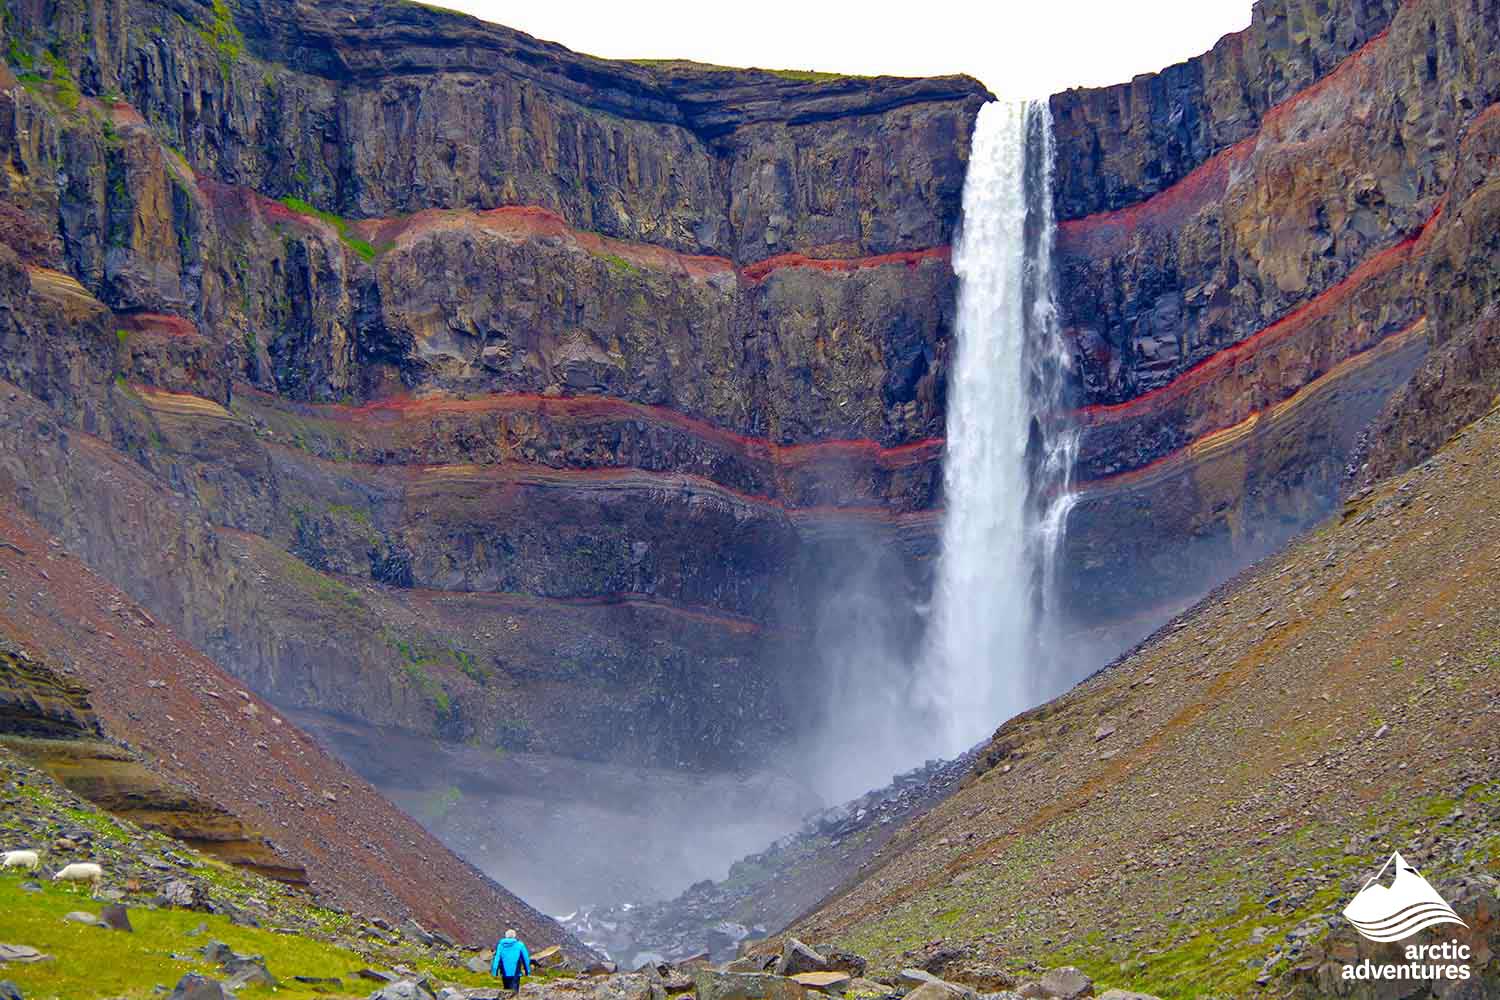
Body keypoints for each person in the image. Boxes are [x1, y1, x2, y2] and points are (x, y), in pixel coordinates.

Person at [491, 928, 531, 994]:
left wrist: (495, 972)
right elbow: (526, 959)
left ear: (506, 936)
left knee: (506, 991)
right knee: (514, 992)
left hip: (504, 973)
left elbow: (497, 959)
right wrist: (527, 972)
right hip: (516, 973)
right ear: (514, 936)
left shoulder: (501, 945)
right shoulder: (520, 945)